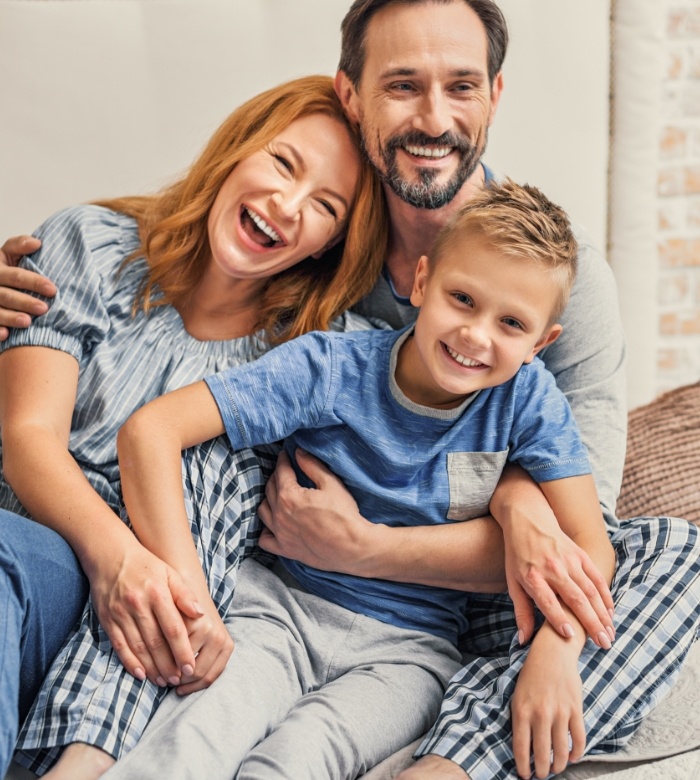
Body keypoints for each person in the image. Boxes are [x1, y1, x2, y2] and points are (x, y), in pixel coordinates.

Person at [2, 1, 698, 778]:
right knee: (216, 461)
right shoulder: (316, 279)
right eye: (403, 85)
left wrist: (502, 508)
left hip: (447, 616)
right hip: (278, 580)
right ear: (352, 95)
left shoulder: (567, 283)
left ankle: (453, 760)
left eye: (461, 85)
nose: (435, 117)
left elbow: (583, 542)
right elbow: (174, 341)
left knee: (670, 555)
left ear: (495, 95)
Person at [19, 179, 613, 780]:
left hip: (408, 654)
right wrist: (195, 600)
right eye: (462, 299)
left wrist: (556, 652)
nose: (476, 335)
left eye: (511, 323)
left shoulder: (529, 400)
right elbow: (154, 428)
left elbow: (592, 546)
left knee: (296, 761)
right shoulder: (331, 366)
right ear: (423, 281)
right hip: (276, 608)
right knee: (194, 738)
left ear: (542, 343)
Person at [0, 74, 388, 778]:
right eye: (282, 163)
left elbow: (458, 412)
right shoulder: (87, 245)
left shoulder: (311, 355)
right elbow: (29, 441)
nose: (287, 205)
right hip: (43, 550)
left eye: (325, 206)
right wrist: (118, 559)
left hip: (142, 629)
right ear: (236, 150)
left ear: (334, 243)